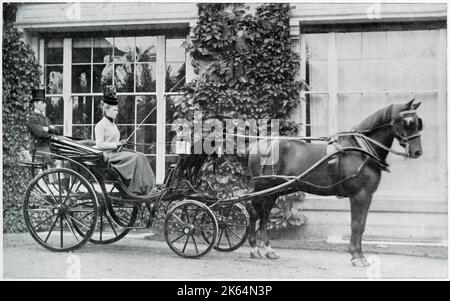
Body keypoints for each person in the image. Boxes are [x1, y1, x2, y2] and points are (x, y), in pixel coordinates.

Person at [95, 85, 155, 195]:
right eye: (114, 110)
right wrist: (116, 144)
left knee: (141, 156)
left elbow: (114, 141)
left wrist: (120, 144)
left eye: (117, 110)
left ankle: (147, 188)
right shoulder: (100, 125)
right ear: (106, 109)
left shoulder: (112, 124)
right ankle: (136, 189)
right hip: (108, 157)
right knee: (137, 157)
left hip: (116, 154)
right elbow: (99, 144)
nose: (116, 112)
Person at [28, 88, 62, 163]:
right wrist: (50, 129)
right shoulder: (33, 118)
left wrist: (47, 128)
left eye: (45, 103)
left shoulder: (45, 118)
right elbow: (40, 133)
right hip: (39, 151)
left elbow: (57, 131)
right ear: (35, 104)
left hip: (48, 150)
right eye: (42, 102)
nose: (45, 105)